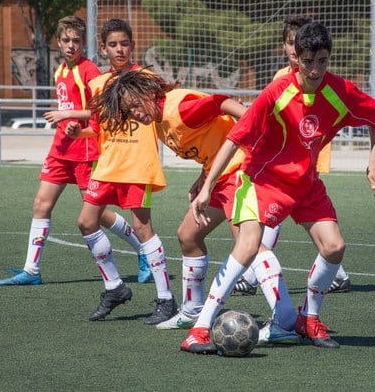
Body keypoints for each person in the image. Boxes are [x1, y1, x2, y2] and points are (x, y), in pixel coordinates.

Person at [181, 21, 375, 354]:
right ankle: (200, 329)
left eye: (322, 60)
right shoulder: (277, 92)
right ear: (297, 59)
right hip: (263, 181)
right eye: (309, 61)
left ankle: (308, 318)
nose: (316, 68)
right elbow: (235, 139)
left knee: (334, 247)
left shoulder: (339, 90)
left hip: (306, 184)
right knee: (248, 246)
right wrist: (207, 186)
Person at [90, 69, 303, 345]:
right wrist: (203, 178)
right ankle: (193, 310)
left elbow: (221, 102)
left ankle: (284, 317)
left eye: (134, 105)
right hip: (220, 176)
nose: (135, 114)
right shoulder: (158, 120)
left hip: (241, 171)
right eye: (129, 112)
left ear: (147, 94)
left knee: (248, 243)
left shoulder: (180, 110)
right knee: (188, 235)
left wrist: (257, 128)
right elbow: (213, 142)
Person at [0, 16, 147, 288]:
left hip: (85, 151)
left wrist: (69, 114)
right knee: (41, 204)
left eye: (77, 40)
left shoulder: (89, 71)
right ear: (58, 42)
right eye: (66, 40)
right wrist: (65, 120)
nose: (71, 45)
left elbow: (102, 109)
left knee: (97, 214)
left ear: (84, 43)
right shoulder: (60, 71)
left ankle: (143, 251)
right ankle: (32, 270)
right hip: (60, 149)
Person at [63, 21, 177, 324]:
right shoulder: (99, 84)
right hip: (108, 163)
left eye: (124, 43)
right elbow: (99, 129)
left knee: (143, 229)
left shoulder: (148, 79)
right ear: (103, 48)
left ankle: (166, 299)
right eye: (113, 45)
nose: (119, 49)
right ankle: (114, 287)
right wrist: (79, 133)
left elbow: (164, 114)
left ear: (132, 45)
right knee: (87, 221)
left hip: (138, 164)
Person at [233, 15, 351, 297]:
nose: (292, 49)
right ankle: (338, 272)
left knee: (284, 215)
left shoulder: (319, 81)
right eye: (288, 43)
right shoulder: (280, 78)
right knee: (281, 215)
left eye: (295, 43)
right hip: (285, 161)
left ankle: (251, 274)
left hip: (308, 156)